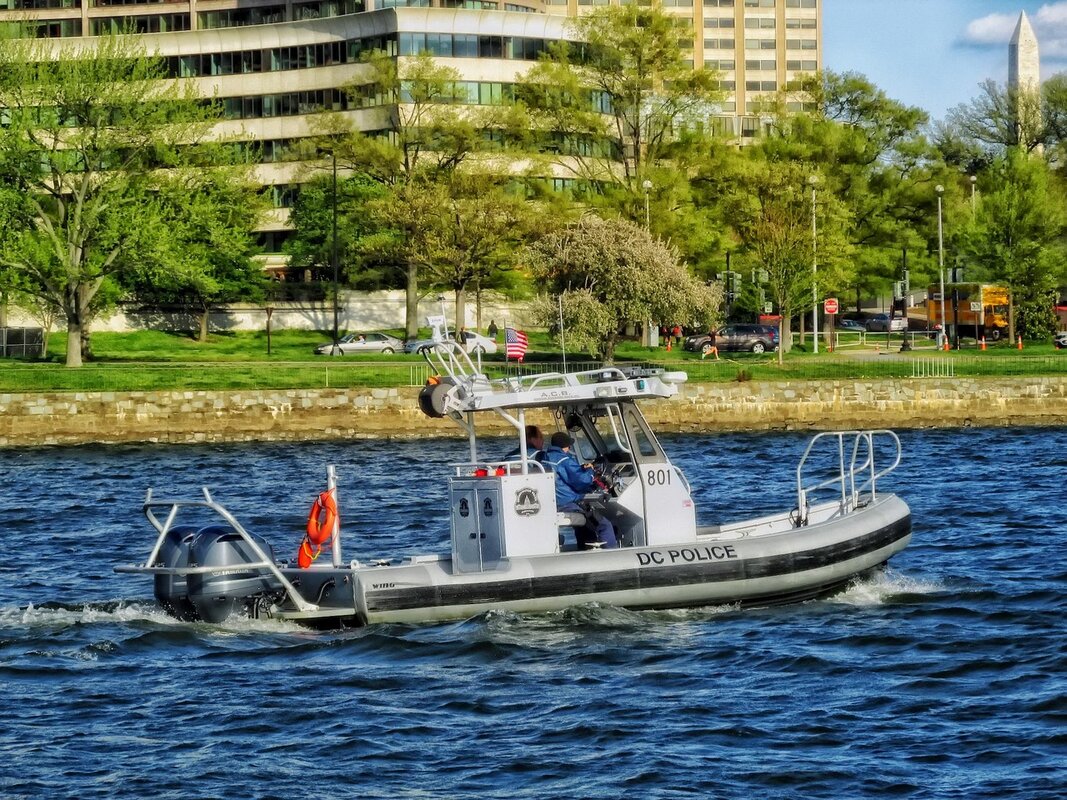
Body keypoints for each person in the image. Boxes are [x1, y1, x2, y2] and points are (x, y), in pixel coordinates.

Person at [542, 431, 617, 550]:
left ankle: (584, 550)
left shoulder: (545, 457)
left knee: (584, 526)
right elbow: (582, 480)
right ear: (564, 446)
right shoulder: (564, 460)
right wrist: (591, 472)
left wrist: (582, 469)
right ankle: (614, 555)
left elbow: (567, 479)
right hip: (567, 503)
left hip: (553, 502)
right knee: (604, 524)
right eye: (568, 446)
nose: (569, 448)